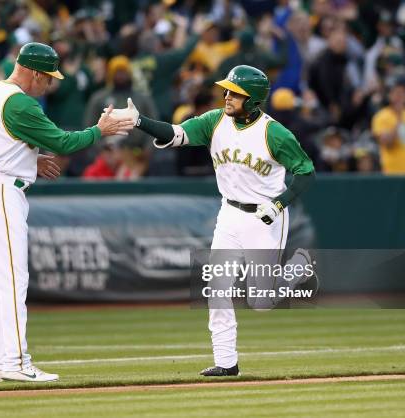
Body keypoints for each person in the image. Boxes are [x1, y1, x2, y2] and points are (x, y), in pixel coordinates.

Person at [110, 65, 317, 377]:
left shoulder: (274, 133)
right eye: (227, 90)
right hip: (229, 213)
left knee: (261, 302)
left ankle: (297, 267)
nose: (227, 96)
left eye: (236, 93)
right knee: (216, 286)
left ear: (254, 99)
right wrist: (140, 121)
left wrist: (279, 204)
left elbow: (306, 171)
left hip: (265, 217)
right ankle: (226, 361)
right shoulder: (214, 120)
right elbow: (176, 135)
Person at [0, 42, 133, 383]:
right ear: (32, 72)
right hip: (0, 190)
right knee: (13, 278)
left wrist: (28, 159)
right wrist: (98, 131)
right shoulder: (20, 102)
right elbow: (64, 143)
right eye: (47, 78)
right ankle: (15, 361)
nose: (50, 85)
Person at [371, 78, 405, 175]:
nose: (399, 97)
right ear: (390, 95)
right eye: (396, 93)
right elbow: (387, 144)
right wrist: (399, 121)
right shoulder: (380, 116)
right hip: (390, 173)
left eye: (403, 93)